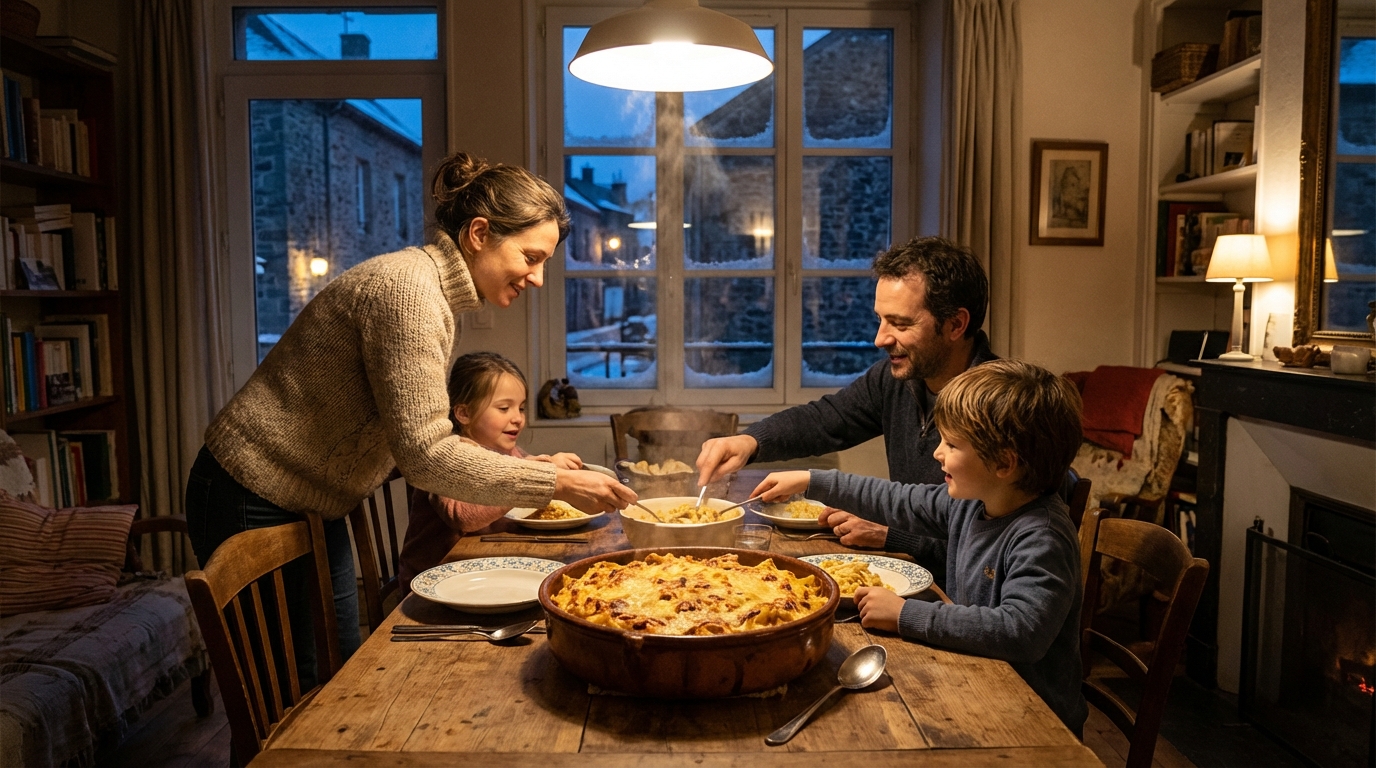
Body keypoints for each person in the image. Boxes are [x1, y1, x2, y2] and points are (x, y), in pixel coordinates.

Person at [184, 152, 636, 685]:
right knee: (287, 691)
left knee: (342, 676)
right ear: (479, 233)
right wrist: (553, 481)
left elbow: (405, 437)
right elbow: (426, 455)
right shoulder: (409, 291)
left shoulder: (435, 296)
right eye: (530, 257)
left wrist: (532, 472)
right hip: (250, 489)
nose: (537, 278)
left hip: (314, 499)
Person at [751, 359, 1087, 735]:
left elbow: (1019, 631)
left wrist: (905, 615)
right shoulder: (973, 502)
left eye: (952, 444)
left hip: (1032, 718)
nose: (937, 453)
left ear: (1004, 464)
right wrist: (811, 479)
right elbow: (897, 499)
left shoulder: (1042, 535)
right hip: (977, 680)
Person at [695, 236, 994, 576]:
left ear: (956, 324)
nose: (880, 339)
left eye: (900, 323)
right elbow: (828, 418)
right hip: (912, 573)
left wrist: (894, 537)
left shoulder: (1000, 407)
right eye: (880, 319)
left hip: (958, 601)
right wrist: (750, 441)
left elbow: (988, 549)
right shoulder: (898, 378)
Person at [398, 352, 583, 593]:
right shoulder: (449, 457)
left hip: (481, 570)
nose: (517, 418)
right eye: (504, 408)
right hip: (433, 582)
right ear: (464, 413)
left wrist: (553, 469)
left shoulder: (508, 451)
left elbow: (524, 474)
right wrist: (543, 469)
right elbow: (463, 516)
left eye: (521, 408)